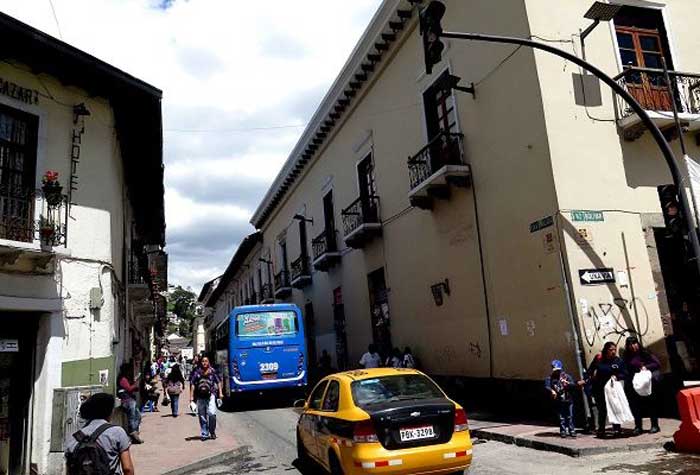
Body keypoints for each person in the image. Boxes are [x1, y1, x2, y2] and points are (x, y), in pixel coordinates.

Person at [65, 393, 135, 475]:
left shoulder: (74, 437)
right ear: (110, 411)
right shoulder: (117, 432)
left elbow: (69, 470)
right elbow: (127, 469)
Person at [623, 336, 662, 435]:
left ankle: (655, 425)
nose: (633, 346)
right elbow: (625, 368)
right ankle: (638, 427)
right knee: (636, 406)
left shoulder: (645, 353)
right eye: (630, 344)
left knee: (650, 404)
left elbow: (657, 364)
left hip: (646, 383)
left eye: (634, 343)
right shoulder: (626, 356)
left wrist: (645, 367)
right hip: (633, 383)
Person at [588, 342, 627, 438]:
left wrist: (617, 376)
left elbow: (625, 373)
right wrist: (589, 378)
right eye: (611, 350)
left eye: (615, 349)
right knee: (602, 410)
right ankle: (601, 430)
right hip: (600, 388)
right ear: (606, 350)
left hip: (613, 389)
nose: (613, 352)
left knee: (614, 407)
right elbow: (590, 371)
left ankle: (617, 428)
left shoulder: (618, 361)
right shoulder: (599, 359)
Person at [189, 356, 223, 441]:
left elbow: (218, 381)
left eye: (206, 361)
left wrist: (220, 393)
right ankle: (204, 433)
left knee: (211, 413)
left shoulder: (212, 371)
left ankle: (212, 431)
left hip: (211, 395)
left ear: (208, 362)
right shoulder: (197, 372)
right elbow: (192, 384)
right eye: (203, 361)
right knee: (202, 416)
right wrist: (191, 397)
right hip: (200, 396)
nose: (204, 363)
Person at [544, 360, 577, 438]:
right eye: (555, 370)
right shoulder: (551, 378)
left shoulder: (566, 376)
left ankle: (571, 429)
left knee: (570, 416)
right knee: (561, 417)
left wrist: (568, 383)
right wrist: (552, 391)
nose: (557, 372)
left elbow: (573, 385)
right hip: (559, 400)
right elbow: (547, 385)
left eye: (558, 370)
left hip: (568, 399)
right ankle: (563, 430)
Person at [117, 364, 143, 444]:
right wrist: (135, 384)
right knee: (132, 417)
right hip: (127, 401)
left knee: (137, 416)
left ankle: (134, 433)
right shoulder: (123, 379)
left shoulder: (126, 378)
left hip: (130, 400)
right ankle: (133, 433)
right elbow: (128, 388)